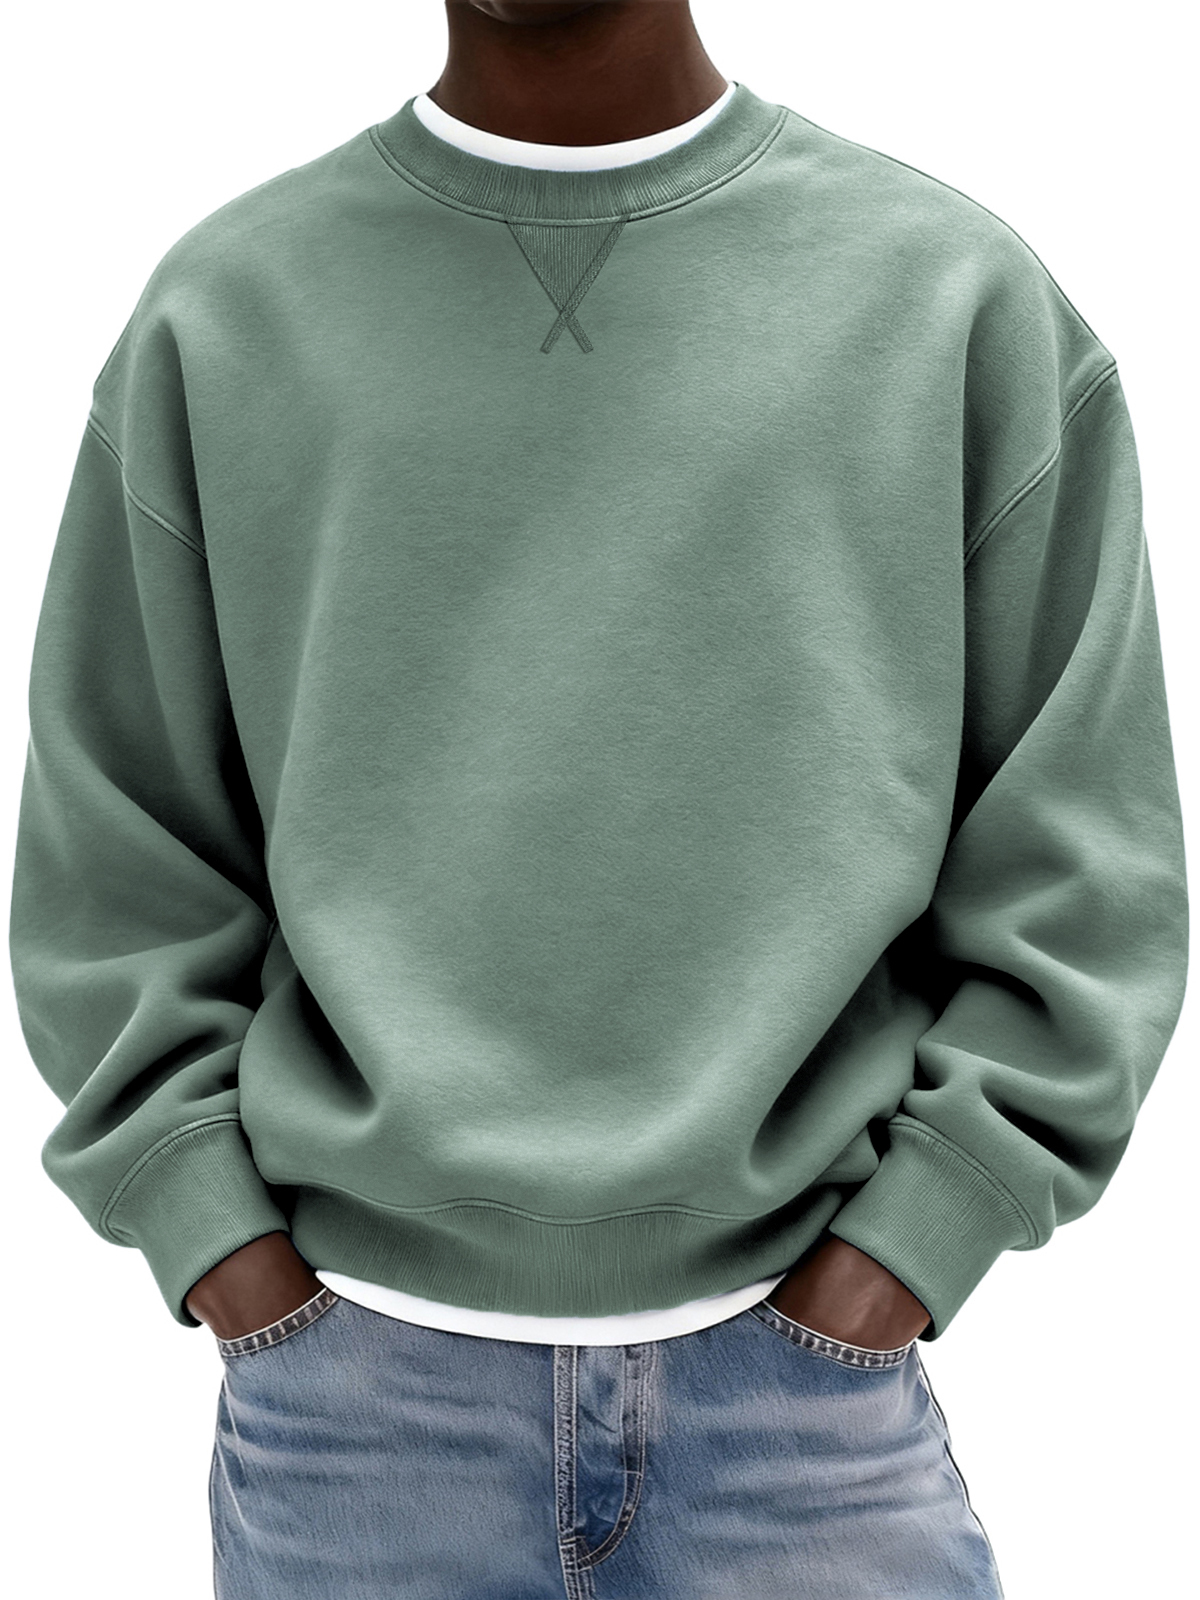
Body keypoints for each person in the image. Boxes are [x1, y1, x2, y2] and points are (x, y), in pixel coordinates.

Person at [9, 1, 1188, 1595]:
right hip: (355, 1421)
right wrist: (218, 1239)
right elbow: (118, 851)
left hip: (808, 1415)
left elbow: (1086, 867)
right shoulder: (225, 313)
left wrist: (915, 1242)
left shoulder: (950, 299)